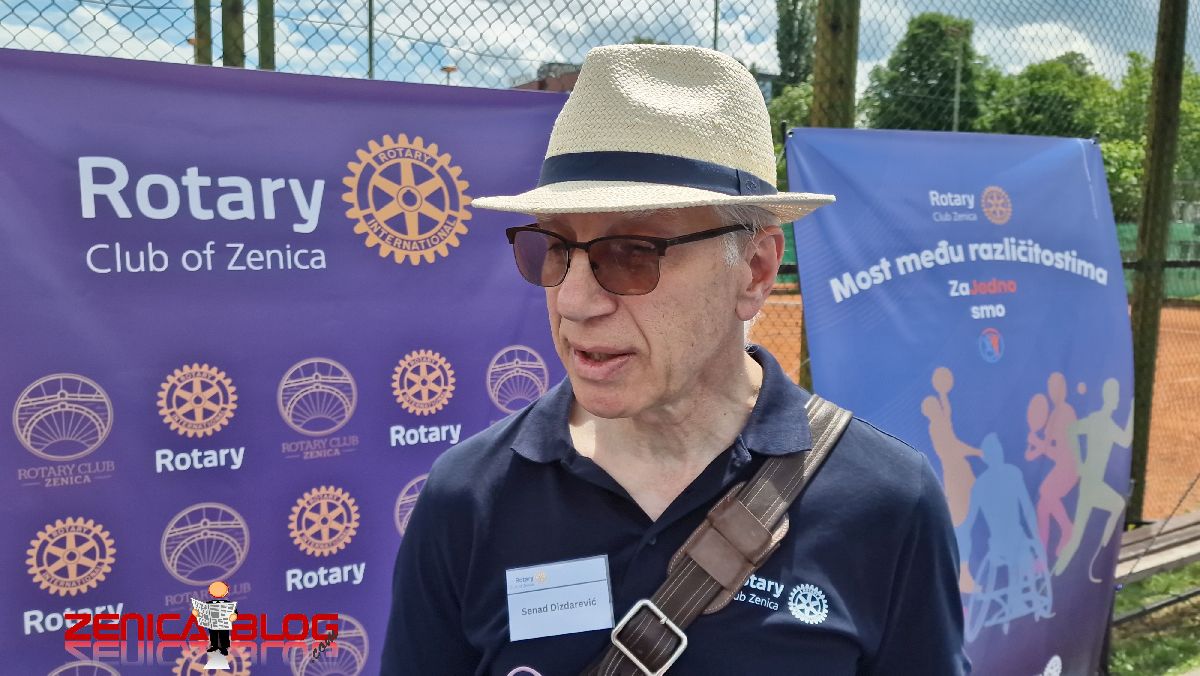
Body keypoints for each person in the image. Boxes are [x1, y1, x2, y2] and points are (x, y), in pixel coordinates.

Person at [381, 44, 968, 675]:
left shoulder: (886, 503)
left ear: (755, 270)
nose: (573, 301)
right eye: (553, 247)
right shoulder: (469, 498)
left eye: (632, 252)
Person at [191, 580, 237, 656]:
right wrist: (197, 613)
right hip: (212, 623)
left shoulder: (228, 603)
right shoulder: (208, 604)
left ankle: (224, 648)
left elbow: (234, 612)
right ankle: (214, 646)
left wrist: (233, 616)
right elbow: (203, 612)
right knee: (213, 634)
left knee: (223, 634)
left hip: (223, 623)